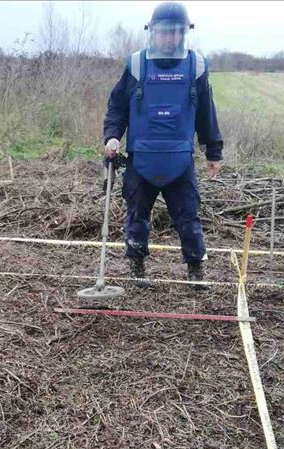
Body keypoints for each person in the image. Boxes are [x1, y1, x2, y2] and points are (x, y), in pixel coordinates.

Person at [102, 1, 223, 290]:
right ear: (153, 32)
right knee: (136, 217)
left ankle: (196, 271)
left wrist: (213, 151)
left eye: (176, 32)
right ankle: (137, 268)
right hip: (140, 158)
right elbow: (117, 107)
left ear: (184, 34)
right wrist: (112, 136)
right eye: (164, 32)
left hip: (180, 159)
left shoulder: (196, 67)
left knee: (188, 217)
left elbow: (206, 112)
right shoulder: (135, 65)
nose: (170, 38)